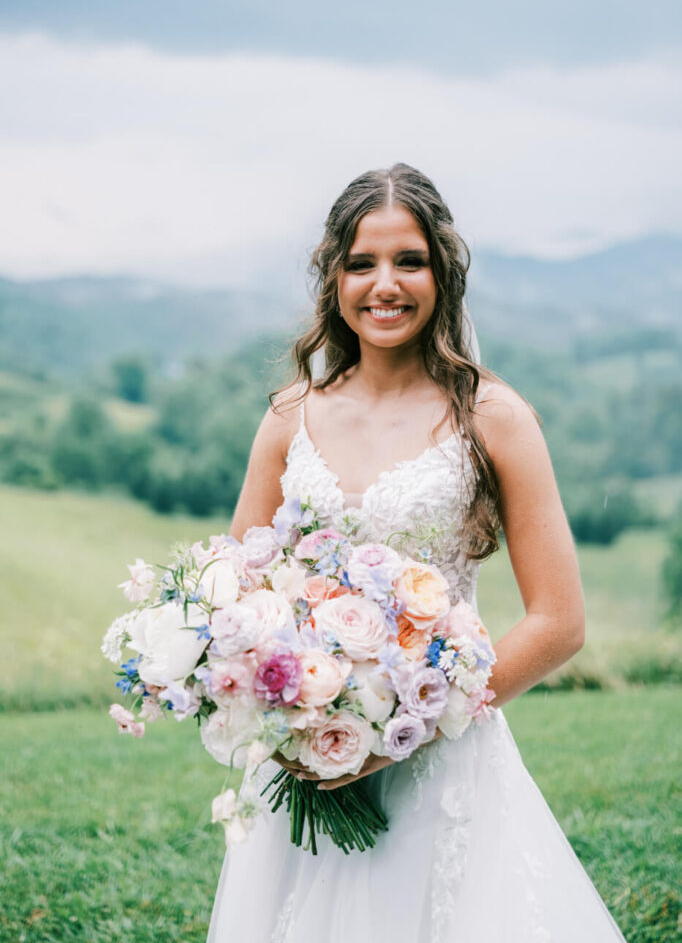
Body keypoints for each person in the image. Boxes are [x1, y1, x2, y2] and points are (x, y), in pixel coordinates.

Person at [207, 163, 627, 941]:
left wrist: (401, 727)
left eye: (410, 260)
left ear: (443, 273)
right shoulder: (288, 417)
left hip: (443, 764)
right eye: (361, 263)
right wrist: (300, 713)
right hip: (306, 759)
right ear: (333, 276)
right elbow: (235, 596)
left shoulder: (494, 418)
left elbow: (559, 621)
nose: (385, 284)